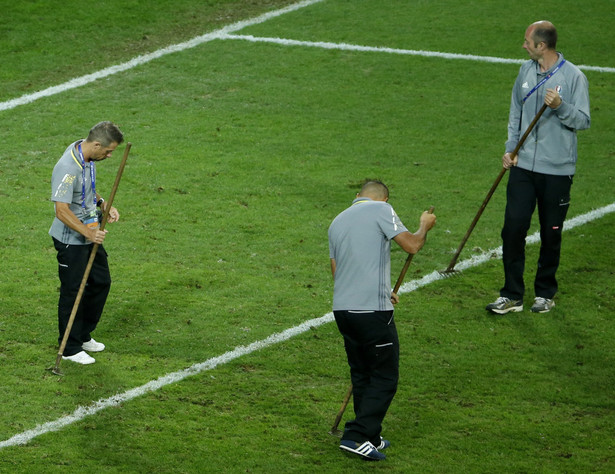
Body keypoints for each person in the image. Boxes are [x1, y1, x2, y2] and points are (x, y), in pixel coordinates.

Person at [486, 21, 590, 315]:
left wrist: (560, 106)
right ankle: (511, 294)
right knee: (513, 228)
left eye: (527, 42)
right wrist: (511, 148)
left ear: (541, 46)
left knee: (551, 231)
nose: (524, 46)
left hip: (557, 171)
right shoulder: (525, 71)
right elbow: (515, 110)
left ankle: (545, 293)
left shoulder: (573, 77)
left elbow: (583, 120)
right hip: (522, 167)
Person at [328, 180, 436, 460]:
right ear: (384, 200)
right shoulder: (381, 210)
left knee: (363, 373)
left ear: (357, 196)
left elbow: (338, 273)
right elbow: (411, 246)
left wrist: (382, 291)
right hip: (371, 313)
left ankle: (370, 435)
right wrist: (424, 225)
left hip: (344, 310)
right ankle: (356, 436)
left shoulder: (337, 221)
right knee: (384, 377)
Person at [49, 121, 124, 364]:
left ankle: (81, 335)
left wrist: (103, 204)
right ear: (96, 144)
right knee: (73, 292)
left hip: (90, 231)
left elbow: (86, 191)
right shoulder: (68, 167)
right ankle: (70, 348)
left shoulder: (88, 158)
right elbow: (61, 210)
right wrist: (88, 233)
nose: (110, 155)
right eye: (108, 151)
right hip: (72, 241)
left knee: (101, 282)